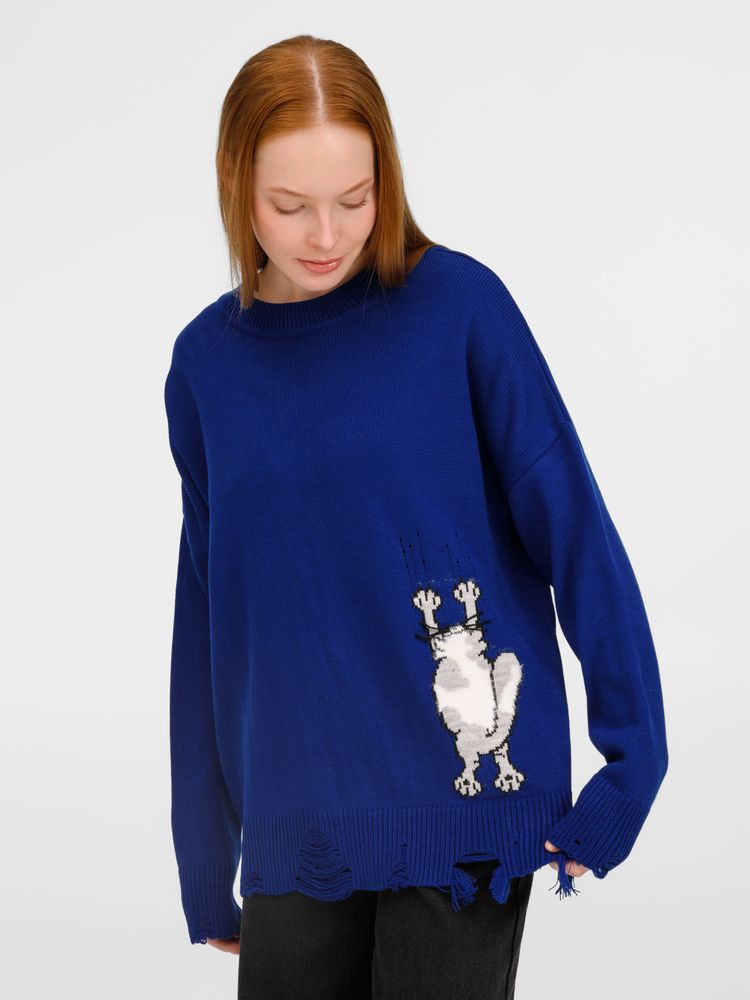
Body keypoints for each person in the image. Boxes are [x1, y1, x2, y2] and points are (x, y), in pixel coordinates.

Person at [163, 34, 669, 1000]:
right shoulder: (206, 368)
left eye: (355, 199)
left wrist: (632, 766)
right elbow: (210, 618)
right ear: (234, 181)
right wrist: (203, 856)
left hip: (465, 804)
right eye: (289, 205)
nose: (326, 233)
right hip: (298, 818)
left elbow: (577, 534)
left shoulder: (460, 309)